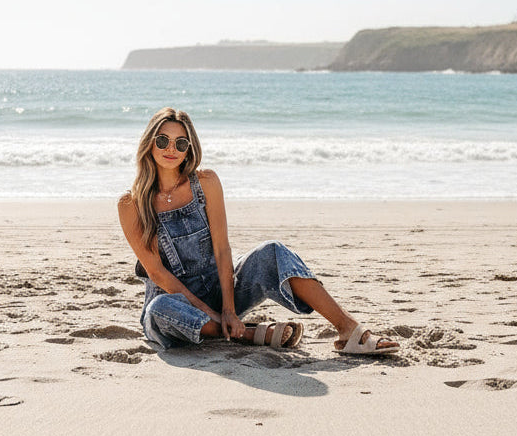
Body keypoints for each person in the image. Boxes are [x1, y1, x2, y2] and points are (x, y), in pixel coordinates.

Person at [117, 107, 399, 354]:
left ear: (190, 148)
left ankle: (348, 330)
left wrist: (228, 308)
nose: (171, 149)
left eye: (181, 143)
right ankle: (247, 334)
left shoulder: (206, 182)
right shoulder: (131, 204)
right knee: (158, 311)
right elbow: (158, 274)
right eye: (163, 140)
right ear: (149, 143)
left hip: (219, 289)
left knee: (271, 251)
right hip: (176, 304)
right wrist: (213, 315)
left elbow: (222, 249)